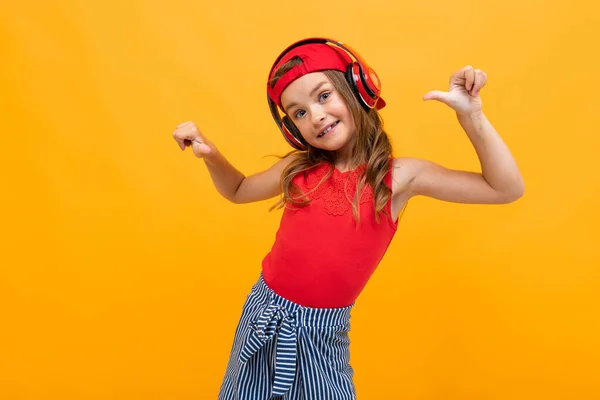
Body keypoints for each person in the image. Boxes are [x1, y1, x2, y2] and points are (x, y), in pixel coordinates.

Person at [171, 37, 524, 400]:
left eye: (323, 96)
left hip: (321, 333)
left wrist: (472, 116)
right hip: (262, 312)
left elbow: (505, 189)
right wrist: (211, 155)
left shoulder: (399, 177)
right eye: (299, 113)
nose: (316, 115)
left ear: (358, 88)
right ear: (292, 129)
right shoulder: (297, 168)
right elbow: (238, 189)